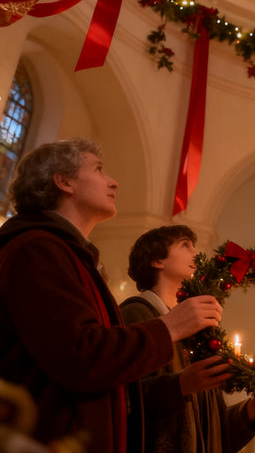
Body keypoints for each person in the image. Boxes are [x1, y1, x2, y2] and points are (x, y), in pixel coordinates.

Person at [0, 139, 221, 453]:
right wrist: (169, 327)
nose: (114, 181)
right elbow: (80, 357)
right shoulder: (37, 249)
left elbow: (116, 386)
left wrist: (180, 384)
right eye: (99, 170)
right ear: (63, 182)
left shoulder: (68, 255)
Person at [121, 225, 255, 452]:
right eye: (185, 245)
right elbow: (121, 403)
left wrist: (254, 407)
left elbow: (213, 432)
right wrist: (180, 385)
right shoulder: (136, 315)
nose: (197, 254)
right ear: (157, 260)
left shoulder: (199, 333)